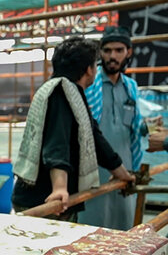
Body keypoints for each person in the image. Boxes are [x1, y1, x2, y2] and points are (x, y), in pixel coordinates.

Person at [12, 36, 135, 222]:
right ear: (88, 70)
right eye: (95, 65)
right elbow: (56, 144)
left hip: (52, 200)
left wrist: (123, 175)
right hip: (44, 201)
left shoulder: (73, 95)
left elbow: (95, 138)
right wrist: (59, 188)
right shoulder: (60, 94)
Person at [78, 26, 150, 230]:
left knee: (123, 227)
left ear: (128, 52)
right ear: (100, 53)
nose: (112, 56)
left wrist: (148, 127)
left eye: (119, 50)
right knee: (91, 230)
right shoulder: (89, 85)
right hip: (94, 171)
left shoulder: (131, 87)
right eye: (107, 50)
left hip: (125, 169)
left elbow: (134, 127)